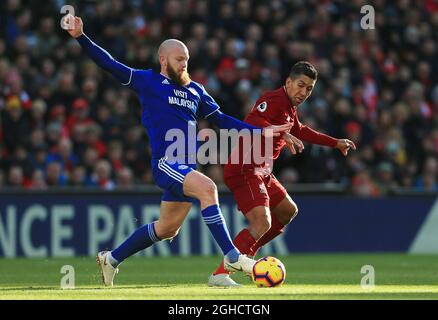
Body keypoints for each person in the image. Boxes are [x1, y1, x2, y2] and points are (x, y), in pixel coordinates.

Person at [63, 15, 292, 287]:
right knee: (209, 189)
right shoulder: (147, 81)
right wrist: (80, 37)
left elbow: (222, 120)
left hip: (186, 166)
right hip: (167, 163)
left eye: (186, 59)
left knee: (167, 228)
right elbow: (109, 64)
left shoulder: (196, 90)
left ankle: (111, 259)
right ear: (163, 59)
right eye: (179, 59)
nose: (184, 63)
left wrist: (262, 132)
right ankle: (232, 256)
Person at [208, 61, 357, 287]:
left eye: (309, 88)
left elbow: (299, 130)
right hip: (244, 169)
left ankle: (246, 257)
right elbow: (252, 120)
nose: (304, 92)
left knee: (288, 211)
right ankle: (220, 274)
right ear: (288, 82)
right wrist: (273, 131)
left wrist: (335, 143)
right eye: (300, 85)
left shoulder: (289, 107)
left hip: (262, 171)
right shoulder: (274, 99)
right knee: (262, 222)